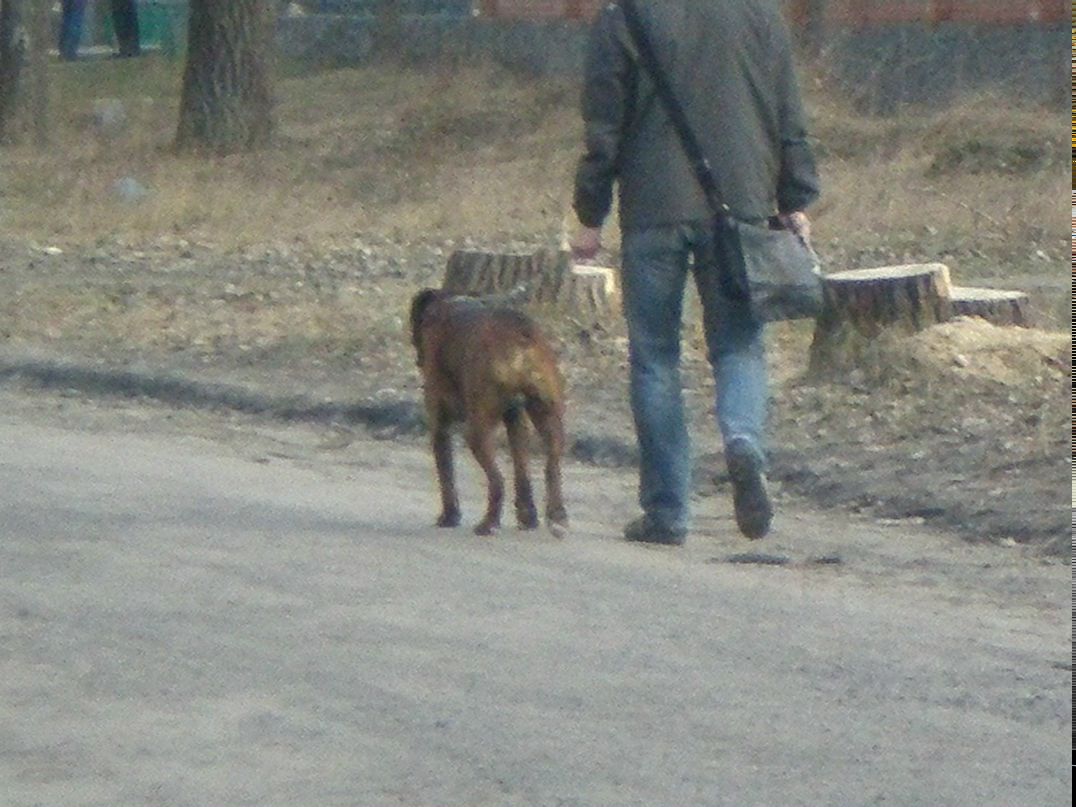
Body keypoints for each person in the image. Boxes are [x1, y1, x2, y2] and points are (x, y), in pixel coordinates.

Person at [571, 0, 820, 545]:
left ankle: (667, 512)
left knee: (655, 360)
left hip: (652, 210)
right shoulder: (762, 16)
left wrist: (590, 215)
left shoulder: (626, 17)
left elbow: (604, 127)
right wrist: (794, 195)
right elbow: (787, 116)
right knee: (739, 346)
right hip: (743, 205)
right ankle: (744, 442)